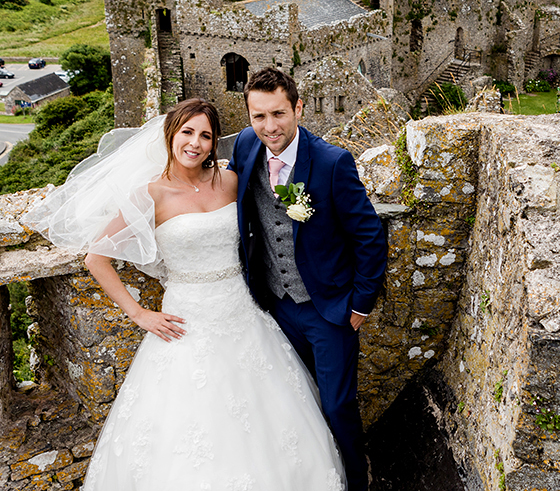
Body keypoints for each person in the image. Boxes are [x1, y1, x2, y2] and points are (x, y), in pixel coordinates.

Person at [24, 99, 346, 491]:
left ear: (214, 144)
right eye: (187, 132)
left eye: (206, 136)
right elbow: (97, 259)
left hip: (243, 314)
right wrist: (140, 313)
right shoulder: (150, 195)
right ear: (170, 135)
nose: (195, 143)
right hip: (186, 322)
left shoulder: (229, 180)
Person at [229, 68, 387, 491]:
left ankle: (358, 479)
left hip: (328, 309)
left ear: (297, 107)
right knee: (290, 402)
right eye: (258, 116)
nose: (269, 127)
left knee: (336, 405)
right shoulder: (245, 147)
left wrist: (359, 305)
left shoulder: (332, 163)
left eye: (278, 114)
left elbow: (369, 235)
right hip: (273, 304)